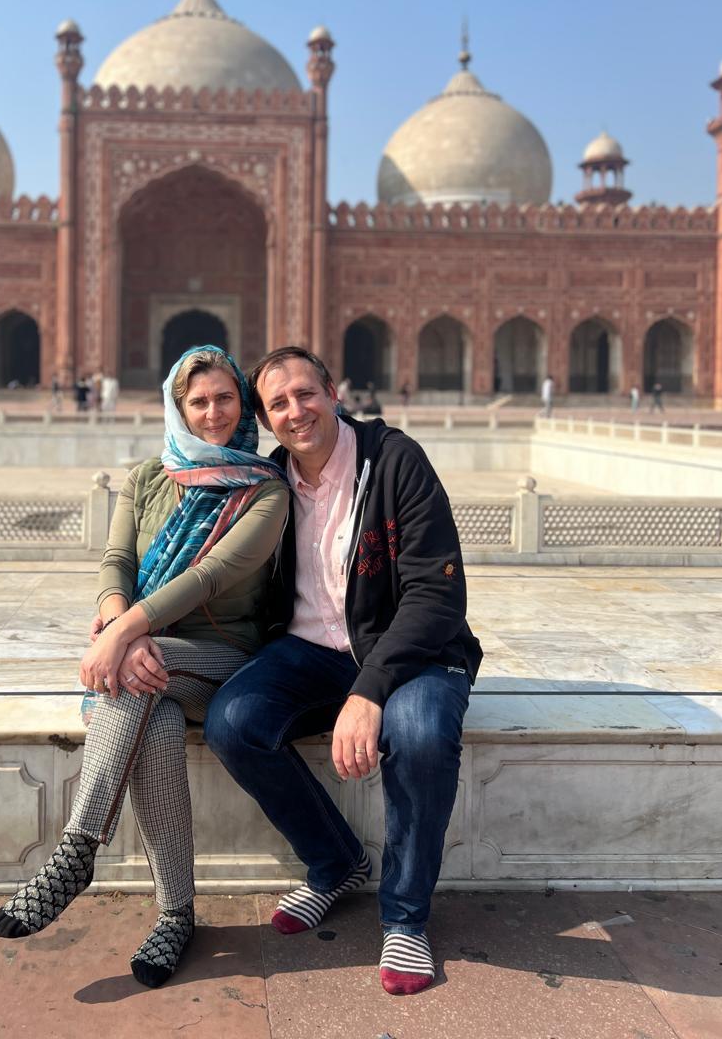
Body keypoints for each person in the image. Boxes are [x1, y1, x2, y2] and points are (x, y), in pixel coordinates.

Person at [0, 345, 288, 989]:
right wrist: (118, 615)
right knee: (150, 719)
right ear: (178, 407)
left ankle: (75, 850)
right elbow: (115, 562)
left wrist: (120, 634)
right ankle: (176, 913)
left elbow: (212, 576)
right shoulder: (151, 477)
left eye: (225, 399)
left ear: (243, 404)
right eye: (198, 401)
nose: (213, 414)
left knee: (126, 676)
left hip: (225, 658)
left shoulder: (266, 490)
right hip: (152, 657)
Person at [204, 347, 482, 998]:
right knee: (234, 722)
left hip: (415, 652)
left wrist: (369, 690)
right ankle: (335, 862)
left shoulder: (393, 460)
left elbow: (435, 596)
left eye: (306, 393)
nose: (296, 411)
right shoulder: (271, 481)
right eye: (279, 403)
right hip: (310, 654)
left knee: (416, 736)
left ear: (333, 390)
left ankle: (407, 916)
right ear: (266, 418)